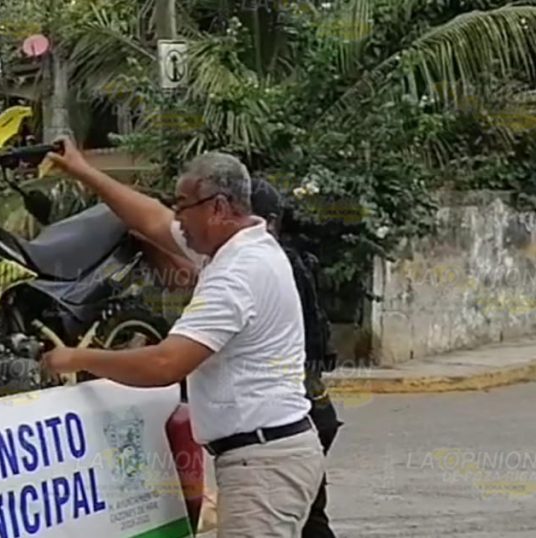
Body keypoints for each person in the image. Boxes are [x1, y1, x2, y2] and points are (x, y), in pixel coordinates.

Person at [41, 139, 325, 538]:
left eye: (183, 205)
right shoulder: (241, 246)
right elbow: (153, 220)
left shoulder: (235, 275)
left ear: (219, 207)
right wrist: (83, 170)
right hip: (270, 455)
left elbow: (165, 364)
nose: (176, 216)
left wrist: (78, 358)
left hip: (263, 466)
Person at [250, 177, 342, 538]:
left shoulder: (268, 264)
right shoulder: (283, 261)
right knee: (310, 516)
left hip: (294, 419)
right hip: (313, 408)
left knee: (308, 518)